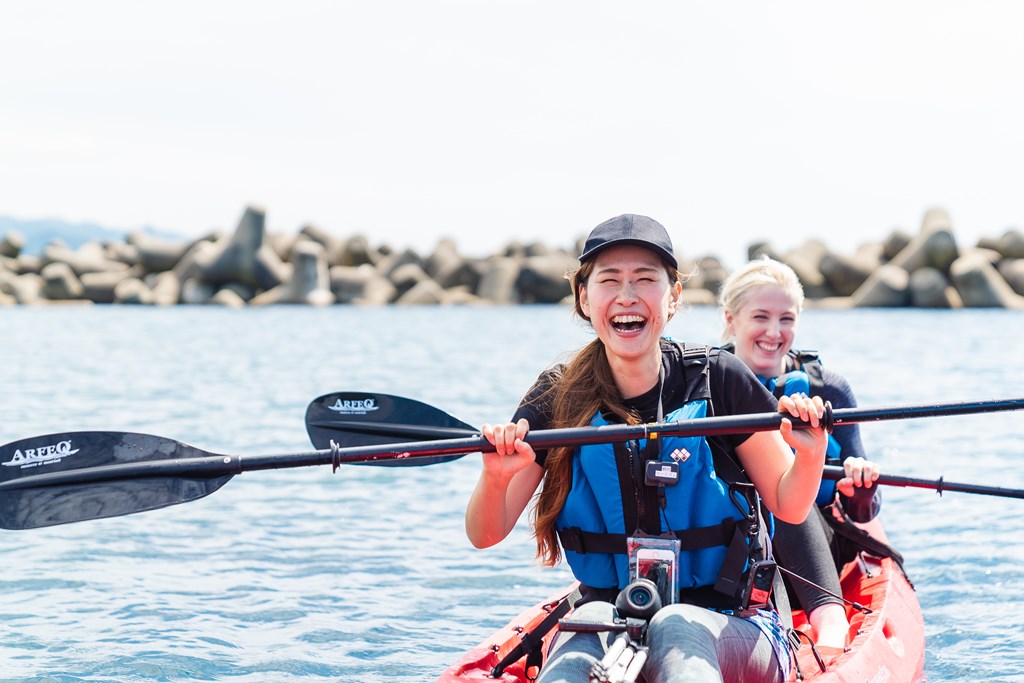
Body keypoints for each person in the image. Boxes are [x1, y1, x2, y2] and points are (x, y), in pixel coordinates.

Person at [465, 214, 828, 683]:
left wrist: (811, 453)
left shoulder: (719, 378)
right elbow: (485, 534)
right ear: (584, 298)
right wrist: (495, 477)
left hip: (736, 623)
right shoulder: (556, 395)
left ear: (673, 297)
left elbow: (790, 505)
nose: (626, 296)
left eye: (644, 280)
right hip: (612, 616)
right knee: (589, 620)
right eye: (609, 281)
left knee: (674, 626)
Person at [718, 255, 882, 652]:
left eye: (786, 319)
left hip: (812, 557)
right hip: (729, 555)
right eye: (761, 317)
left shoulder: (829, 390)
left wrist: (860, 491)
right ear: (731, 320)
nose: (774, 332)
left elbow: (866, 513)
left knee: (782, 487)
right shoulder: (704, 384)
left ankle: (830, 623)